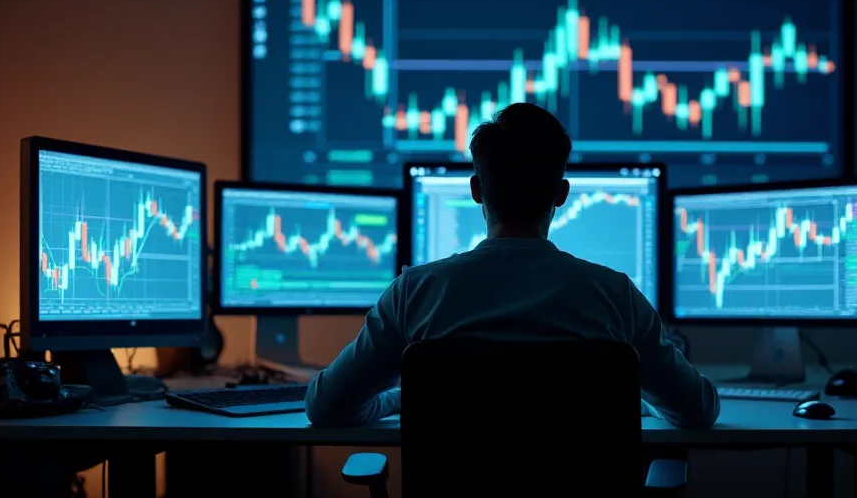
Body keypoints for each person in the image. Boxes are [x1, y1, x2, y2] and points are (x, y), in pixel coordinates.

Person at [305, 103, 720, 428]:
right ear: (561, 194)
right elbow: (697, 412)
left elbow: (326, 407)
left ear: (475, 190)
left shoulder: (414, 293)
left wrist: (401, 399)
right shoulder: (616, 296)